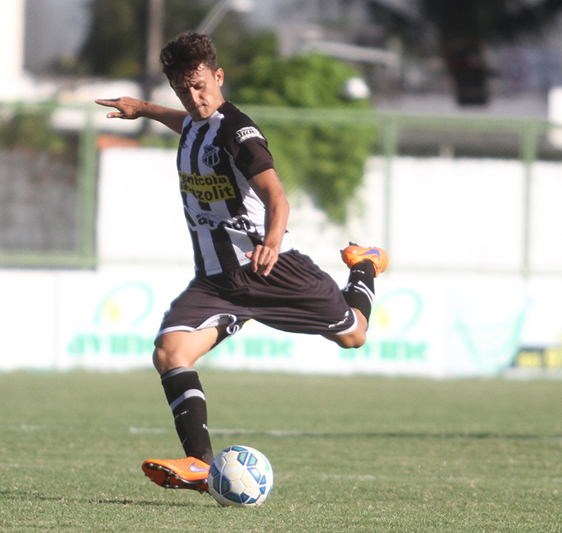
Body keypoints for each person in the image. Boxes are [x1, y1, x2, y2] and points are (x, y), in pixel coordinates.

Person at [96, 31, 388, 494]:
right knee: (170, 352)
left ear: (218, 77)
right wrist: (146, 109)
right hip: (215, 280)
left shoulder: (239, 129)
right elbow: (189, 124)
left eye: (200, 87)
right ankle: (198, 463)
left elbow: (276, 196)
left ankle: (366, 264)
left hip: (268, 269)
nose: (193, 99)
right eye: (181, 90)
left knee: (354, 333)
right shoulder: (196, 120)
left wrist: (271, 242)